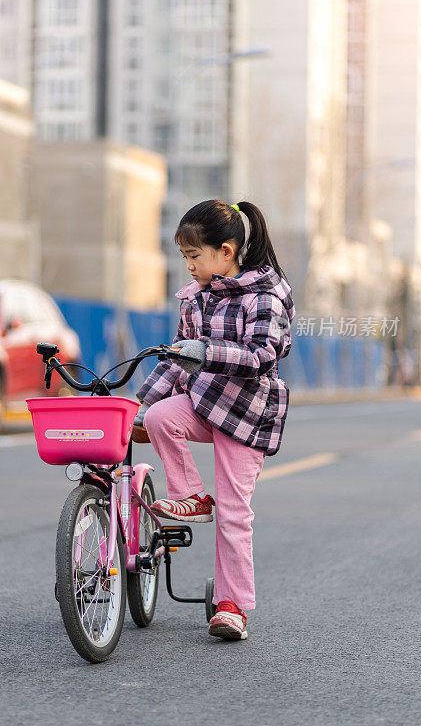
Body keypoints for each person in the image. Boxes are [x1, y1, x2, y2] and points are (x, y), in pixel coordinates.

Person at [134, 199, 296, 641]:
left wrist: (206, 353)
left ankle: (232, 607)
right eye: (184, 256)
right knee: (164, 417)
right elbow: (176, 359)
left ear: (226, 251)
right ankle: (190, 494)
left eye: (193, 255)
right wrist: (141, 407)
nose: (188, 265)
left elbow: (264, 355)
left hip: (247, 414)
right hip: (206, 401)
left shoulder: (265, 295)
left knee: (234, 514)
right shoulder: (196, 298)